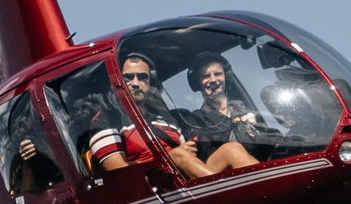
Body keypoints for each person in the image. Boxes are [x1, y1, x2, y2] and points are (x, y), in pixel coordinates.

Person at [94, 53, 258, 178]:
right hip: (152, 185)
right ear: (117, 81)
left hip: (182, 178)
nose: (136, 83)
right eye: (128, 77)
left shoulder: (165, 117)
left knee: (232, 149)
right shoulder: (106, 119)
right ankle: (227, 197)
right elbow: (118, 171)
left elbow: (189, 152)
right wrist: (168, 159)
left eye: (142, 77)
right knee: (177, 155)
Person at [183, 54, 268, 158]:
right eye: (206, 76)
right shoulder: (195, 121)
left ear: (226, 77)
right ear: (196, 83)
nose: (213, 80)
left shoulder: (244, 112)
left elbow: (269, 143)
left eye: (218, 74)